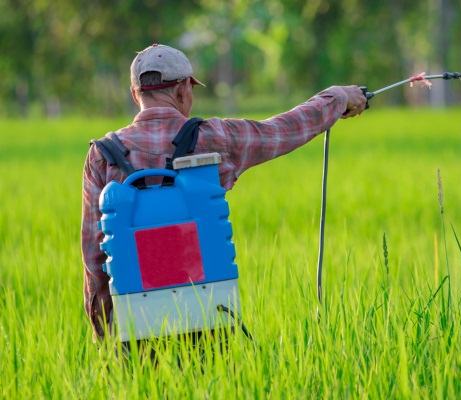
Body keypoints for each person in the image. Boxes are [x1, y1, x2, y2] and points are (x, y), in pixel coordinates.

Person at [81, 43, 367, 343]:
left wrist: (107, 334)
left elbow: (94, 254)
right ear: (182, 91)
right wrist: (338, 98)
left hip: (134, 323)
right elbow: (283, 130)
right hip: (211, 319)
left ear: (135, 93)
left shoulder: (102, 155)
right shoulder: (214, 137)